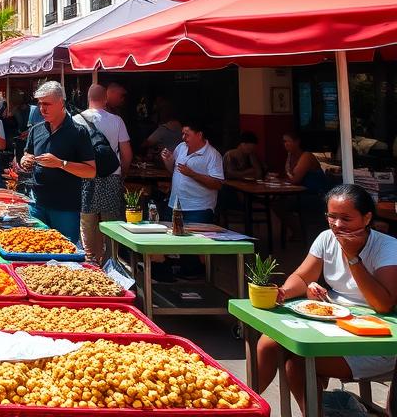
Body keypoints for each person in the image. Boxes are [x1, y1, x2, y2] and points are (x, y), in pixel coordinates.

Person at [255, 184, 397, 414]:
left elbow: (383, 304)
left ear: (367, 217)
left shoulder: (387, 247)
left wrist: (352, 258)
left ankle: (314, 413)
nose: (337, 225)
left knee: (299, 362)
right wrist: (283, 292)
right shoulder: (326, 238)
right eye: (332, 217)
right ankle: (241, 404)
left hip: (376, 337)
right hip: (333, 322)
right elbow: (303, 276)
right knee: (269, 342)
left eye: (346, 218)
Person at [18, 81, 95, 243]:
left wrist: (61, 163)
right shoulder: (36, 129)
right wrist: (25, 160)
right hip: (37, 203)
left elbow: (91, 171)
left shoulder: (78, 132)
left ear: (61, 103)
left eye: (47, 104)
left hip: (65, 208)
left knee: (64, 258)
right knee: (35, 252)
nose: (42, 109)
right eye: (40, 104)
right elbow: (27, 154)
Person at [75, 84, 133, 265]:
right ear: (105, 99)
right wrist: (122, 173)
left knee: (87, 220)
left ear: (88, 98)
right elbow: (127, 153)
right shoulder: (116, 120)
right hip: (111, 175)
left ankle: (89, 259)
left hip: (85, 175)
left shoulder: (76, 119)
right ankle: (111, 261)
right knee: (112, 222)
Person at [160, 121, 224, 225]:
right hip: (174, 205)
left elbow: (217, 184)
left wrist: (192, 174)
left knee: (196, 240)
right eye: (183, 134)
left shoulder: (213, 155)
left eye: (187, 134)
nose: (183, 137)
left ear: (199, 135)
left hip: (198, 209)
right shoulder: (181, 147)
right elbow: (174, 171)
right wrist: (168, 160)